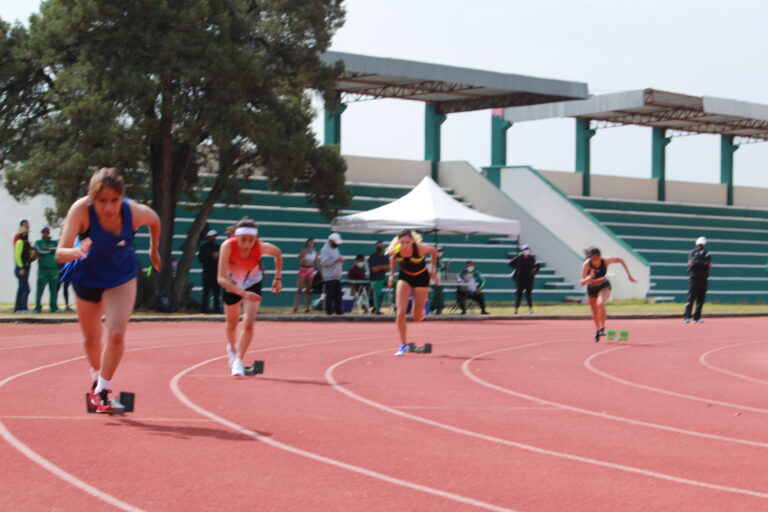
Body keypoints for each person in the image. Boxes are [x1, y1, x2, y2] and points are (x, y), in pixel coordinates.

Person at [56, 168, 161, 413]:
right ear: (92, 198)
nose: (109, 207)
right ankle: (96, 378)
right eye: (102, 200)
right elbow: (59, 254)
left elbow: (155, 219)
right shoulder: (81, 210)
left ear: (121, 197)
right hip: (86, 277)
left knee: (116, 334)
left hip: (120, 277)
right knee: (91, 339)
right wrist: (76, 251)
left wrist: (153, 249)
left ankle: (102, 390)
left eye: (114, 200)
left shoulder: (133, 212)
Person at [217, 217, 283, 376]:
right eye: (243, 240)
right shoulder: (227, 246)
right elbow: (221, 279)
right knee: (232, 324)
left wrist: (278, 278)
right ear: (236, 236)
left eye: (251, 240)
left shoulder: (261, 247)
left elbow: (277, 253)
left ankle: (239, 361)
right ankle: (232, 350)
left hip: (252, 283)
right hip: (232, 284)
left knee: (249, 323)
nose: (247, 244)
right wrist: (242, 293)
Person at [387, 229, 437, 356]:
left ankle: (420, 306)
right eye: (402, 242)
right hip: (405, 277)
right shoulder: (396, 249)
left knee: (416, 318)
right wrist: (392, 275)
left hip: (421, 278)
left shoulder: (420, 248)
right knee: (400, 313)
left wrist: (433, 271)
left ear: (412, 241)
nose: (405, 245)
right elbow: (392, 258)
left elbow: (434, 252)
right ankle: (403, 345)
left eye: (408, 242)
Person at [579, 247, 638, 342]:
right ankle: (598, 330)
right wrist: (589, 278)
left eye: (597, 259)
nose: (596, 262)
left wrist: (629, 275)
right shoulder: (586, 265)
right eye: (593, 260)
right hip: (592, 288)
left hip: (604, 286)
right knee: (594, 313)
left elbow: (620, 260)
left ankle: (602, 328)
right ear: (590, 258)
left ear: (600, 257)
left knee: (600, 303)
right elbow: (581, 282)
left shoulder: (605, 261)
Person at [684, 236, 712, 324]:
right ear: (697, 244)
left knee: (701, 299)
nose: (700, 246)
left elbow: (707, 264)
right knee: (691, 298)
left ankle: (697, 317)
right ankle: (687, 317)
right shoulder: (692, 252)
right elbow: (694, 262)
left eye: (702, 244)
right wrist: (703, 264)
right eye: (699, 244)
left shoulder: (707, 254)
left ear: (705, 245)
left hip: (703, 279)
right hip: (694, 278)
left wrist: (699, 264)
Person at [508, 244, 540, 315]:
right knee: (519, 294)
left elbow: (538, 266)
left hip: (529, 278)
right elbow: (510, 263)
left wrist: (535, 272)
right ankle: (516, 310)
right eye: (524, 250)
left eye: (527, 249)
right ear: (522, 251)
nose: (526, 251)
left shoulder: (532, 258)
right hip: (520, 278)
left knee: (528, 294)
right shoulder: (519, 258)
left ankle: (531, 310)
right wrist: (517, 268)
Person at [34, 226, 59, 313]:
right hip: (43, 270)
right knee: (40, 289)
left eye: (47, 231)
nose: (46, 233)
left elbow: (59, 249)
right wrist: (50, 251)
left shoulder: (53, 242)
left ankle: (54, 308)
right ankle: (37, 308)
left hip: (53, 270)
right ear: (41, 232)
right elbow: (39, 251)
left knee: (53, 290)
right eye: (44, 231)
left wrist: (50, 249)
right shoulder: (38, 242)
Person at [320, 233, 344, 315]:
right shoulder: (324, 250)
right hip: (329, 276)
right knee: (330, 294)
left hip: (337, 275)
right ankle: (329, 310)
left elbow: (337, 259)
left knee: (338, 294)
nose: (337, 244)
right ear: (330, 241)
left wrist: (340, 260)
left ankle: (338, 309)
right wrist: (336, 260)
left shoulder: (335, 249)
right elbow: (325, 263)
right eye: (335, 242)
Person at [198, 229, 221, 313]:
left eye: (215, 236)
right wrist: (211, 256)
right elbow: (201, 259)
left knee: (216, 294)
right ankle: (204, 309)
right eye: (212, 236)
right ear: (208, 237)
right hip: (207, 273)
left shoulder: (218, 247)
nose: (214, 238)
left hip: (216, 273)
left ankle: (217, 310)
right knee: (206, 293)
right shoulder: (203, 247)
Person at [292, 238, 318, 313]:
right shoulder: (304, 250)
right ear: (307, 243)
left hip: (310, 269)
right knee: (300, 289)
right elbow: (298, 258)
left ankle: (306, 307)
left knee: (308, 290)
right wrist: (303, 254)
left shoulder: (315, 252)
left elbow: (317, 262)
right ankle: (295, 307)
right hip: (303, 268)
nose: (311, 244)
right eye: (309, 242)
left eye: (312, 242)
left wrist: (320, 271)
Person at [13, 223, 34, 313]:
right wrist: (21, 268)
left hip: (24, 266)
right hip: (21, 268)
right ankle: (23, 308)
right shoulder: (20, 242)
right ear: (22, 233)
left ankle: (18, 308)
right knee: (26, 289)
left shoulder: (25, 243)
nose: (27, 234)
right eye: (25, 233)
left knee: (21, 288)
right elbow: (17, 256)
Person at [368, 240, 389, 314]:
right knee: (378, 293)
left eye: (381, 245)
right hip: (375, 279)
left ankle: (396, 306)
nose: (380, 247)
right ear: (376, 246)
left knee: (397, 284)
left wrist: (380, 267)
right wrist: (383, 267)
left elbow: (389, 267)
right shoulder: (372, 256)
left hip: (384, 278)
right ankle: (377, 309)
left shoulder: (385, 256)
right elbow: (374, 269)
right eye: (378, 245)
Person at [429, 246, 447, 315]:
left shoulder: (440, 260)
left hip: (439, 279)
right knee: (438, 294)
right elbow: (434, 270)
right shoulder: (434, 258)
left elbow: (441, 269)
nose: (440, 252)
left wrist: (444, 268)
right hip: (434, 280)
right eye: (439, 251)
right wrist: (436, 280)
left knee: (439, 294)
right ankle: (436, 309)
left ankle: (437, 308)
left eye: (441, 251)